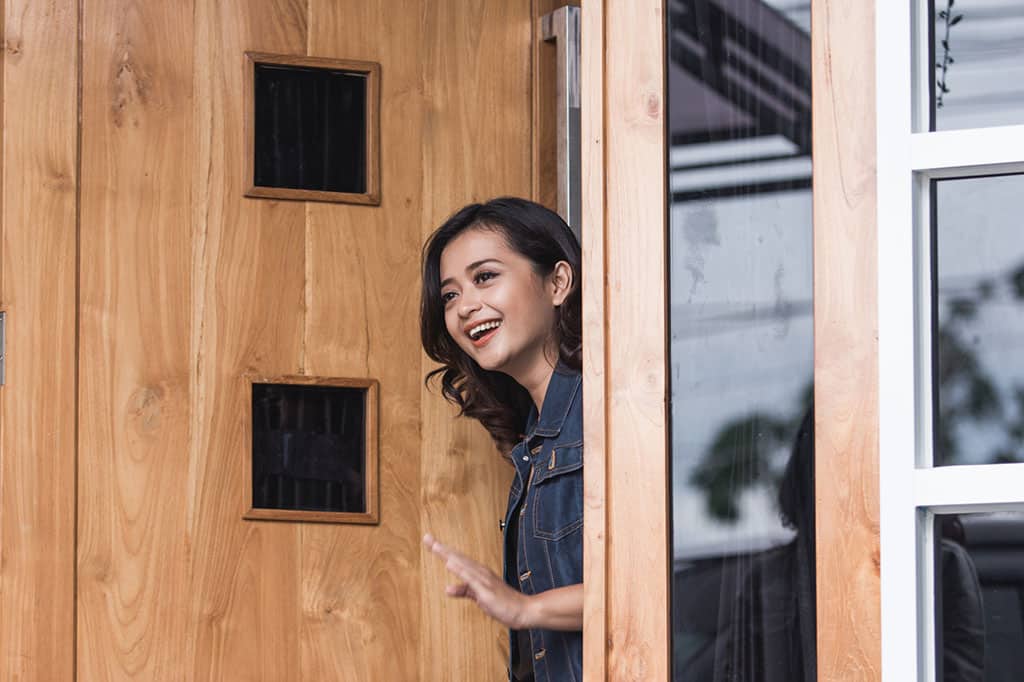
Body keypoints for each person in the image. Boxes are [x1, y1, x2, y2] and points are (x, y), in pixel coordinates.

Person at [419, 197, 584, 681]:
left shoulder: (608, 415)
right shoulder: (536, 442)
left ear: (558, 282)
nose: (465, 306)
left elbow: (653, 579)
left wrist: (524, 609)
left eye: (485, 277)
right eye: (449, 295)